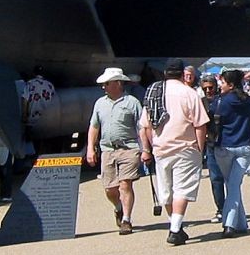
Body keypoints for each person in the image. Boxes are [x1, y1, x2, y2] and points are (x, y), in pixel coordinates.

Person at [143, 58, 209, 245]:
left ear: (165, 74)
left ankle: (176, 226)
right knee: (182, 189)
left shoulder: (154, 92)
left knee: (166, 190)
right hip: (185, 147)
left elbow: (146, 126)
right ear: (182, 74)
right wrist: (200, 147)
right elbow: (200, 124)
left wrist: (150, 146)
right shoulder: (189, 93)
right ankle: (174, 229)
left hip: (160, 148)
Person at [85, 67, 149, 234]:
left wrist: (145, 149)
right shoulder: (100, 104)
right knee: (110, 189)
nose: (103, 87)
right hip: (107, 149)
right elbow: (94, 126)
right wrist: (90, 148)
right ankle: (118, 207)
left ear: (118, 83)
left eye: (107, 83)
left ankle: (127, 219)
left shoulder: (132, 102)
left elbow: (141, 127)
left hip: (129, 148)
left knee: (125, 184)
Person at [209, 70, 250, 236]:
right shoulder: (249, 101)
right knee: (234, 184)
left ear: (230, 85)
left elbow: (212, 121)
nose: (220, 86)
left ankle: (228, 224)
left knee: (231, 184)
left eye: (222, 82)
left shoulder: (221, 102)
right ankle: (242, 223)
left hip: (224, 147)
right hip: (245, 147)